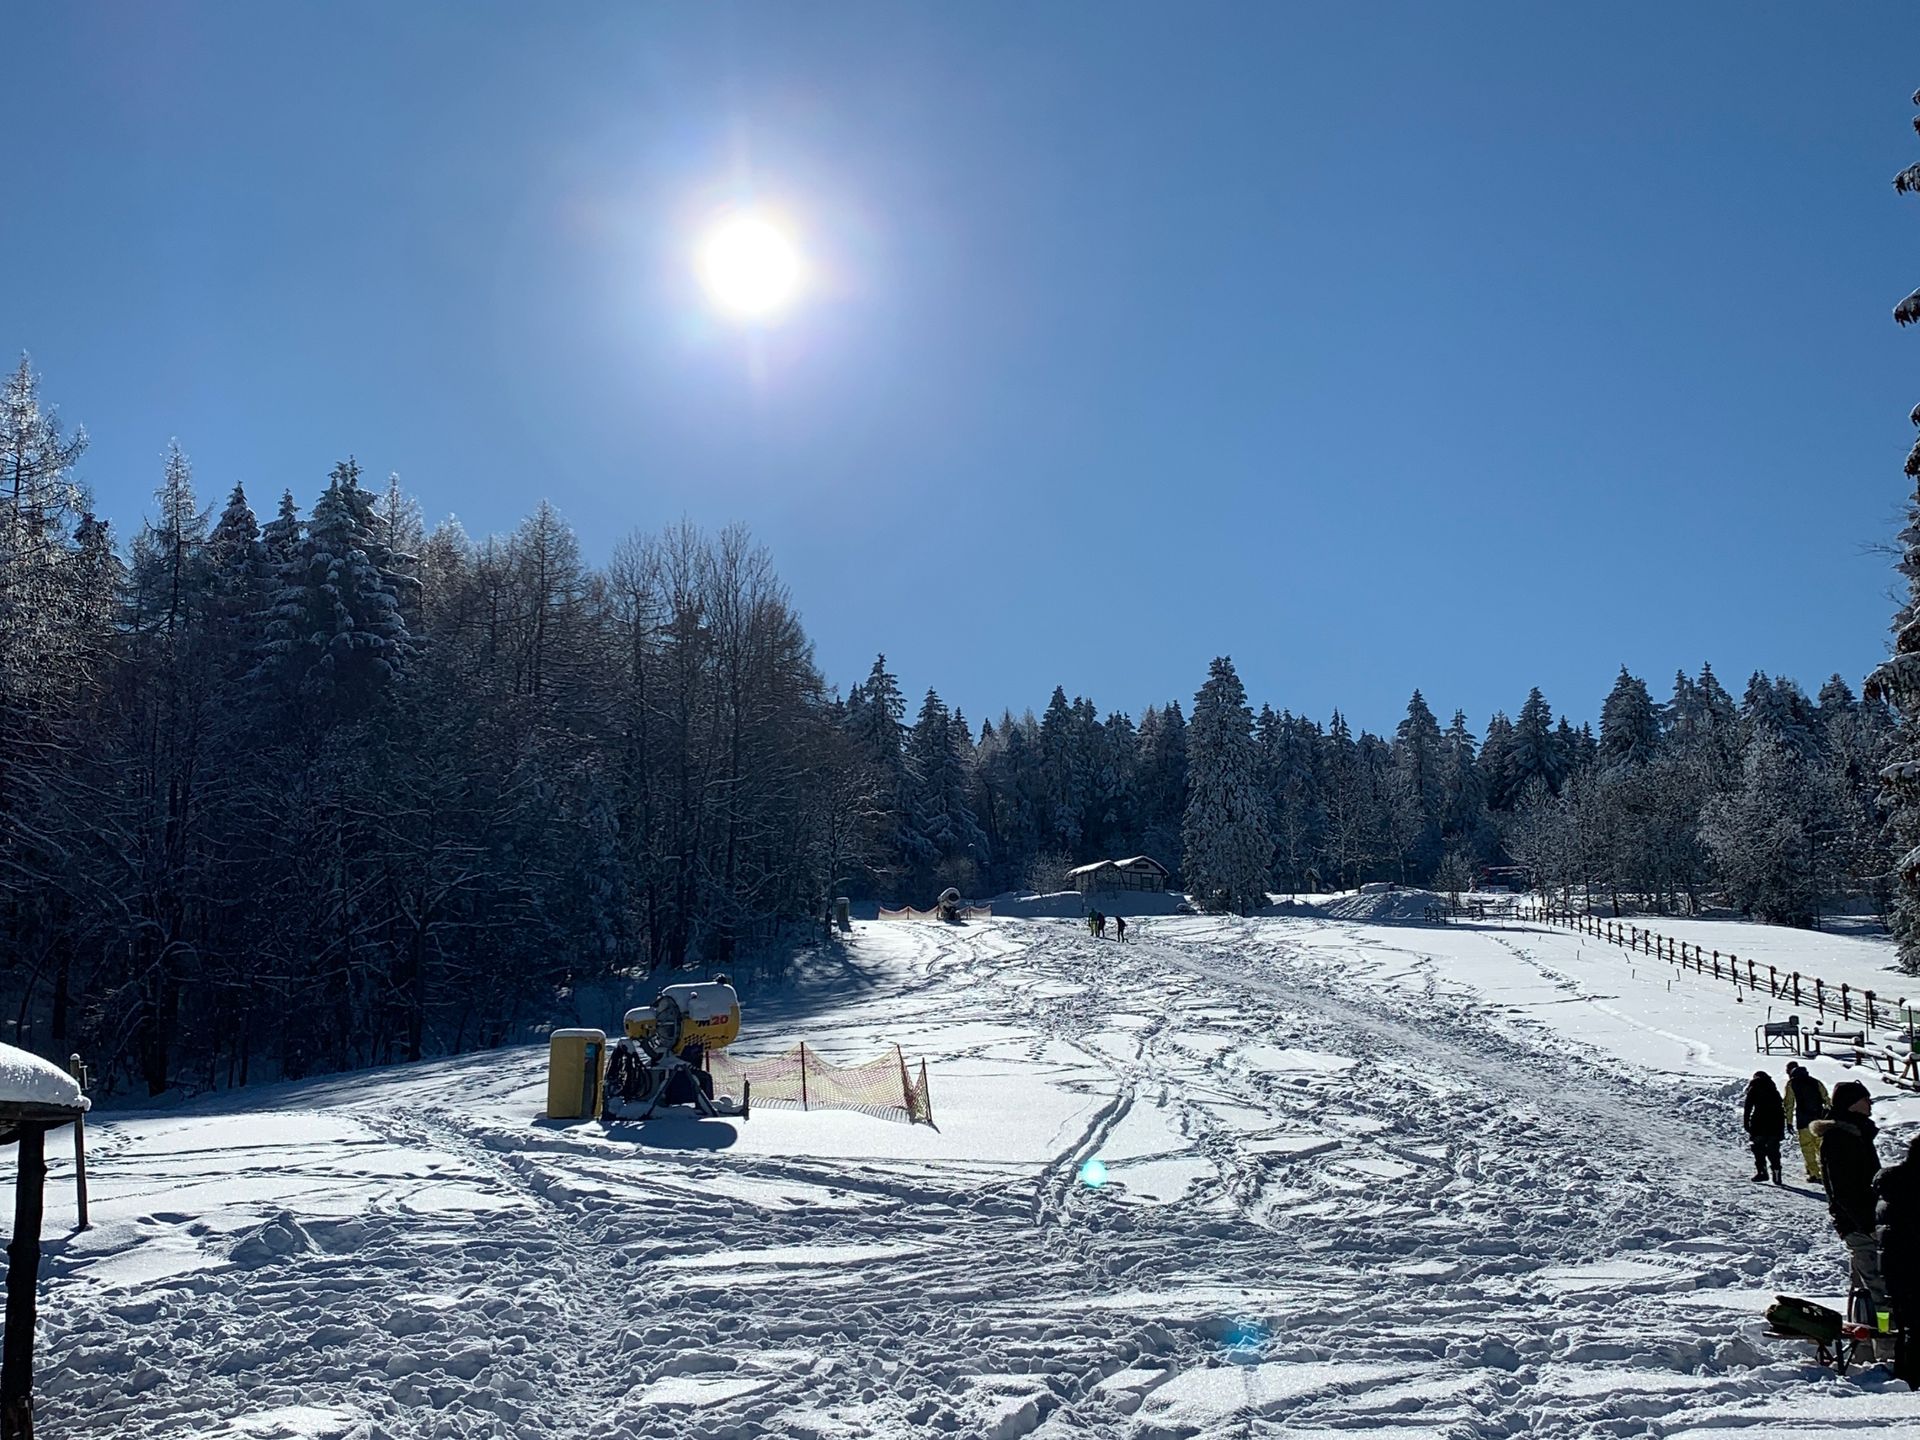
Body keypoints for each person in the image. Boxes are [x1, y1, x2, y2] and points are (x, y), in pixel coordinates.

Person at [1813, 1080, 1886, 1336]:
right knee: (1878, 1288)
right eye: (1866, 1099)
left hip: (1864, 1220)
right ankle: (1886, 1347)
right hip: (1859, 1223)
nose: (1870, 1104)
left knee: (1863, 1286)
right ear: (1853, 1103)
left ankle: (1865, 1344)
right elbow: (1844, 1190)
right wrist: (1866, 1225)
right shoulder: (1841, 1138)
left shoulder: (1856, 1132)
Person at [1874, 1134, 1920, 1386]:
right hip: (1911, 1265)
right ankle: (1912, 1379)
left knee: (1906, 1325)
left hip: (1894, 1268)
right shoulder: (1912, 1188)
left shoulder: (1894, 1184)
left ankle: (1904, 1376)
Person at [1784, 1061, 1830, 1183]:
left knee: (1807, 1148)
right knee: (1820, 1148)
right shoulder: (1815, 1082)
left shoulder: (1792, 1084)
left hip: (1803, 1121)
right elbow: (1826, 1098)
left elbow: (1789, 1104)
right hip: (1819, 1120)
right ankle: (1825, 1171)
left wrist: (1788, 1121)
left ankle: (1815, 1173)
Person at [1741, 1071, 1785, 1185]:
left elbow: (1748, 1107)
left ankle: (1762, 1172)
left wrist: (1746, 1123)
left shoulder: (1754, 1088)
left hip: (1759, 1123)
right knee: (1774, 1149)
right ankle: (1776, 1172)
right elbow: (1781, 1108)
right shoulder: (1773, 1089)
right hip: (1775, 1123)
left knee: (1758, 1148)